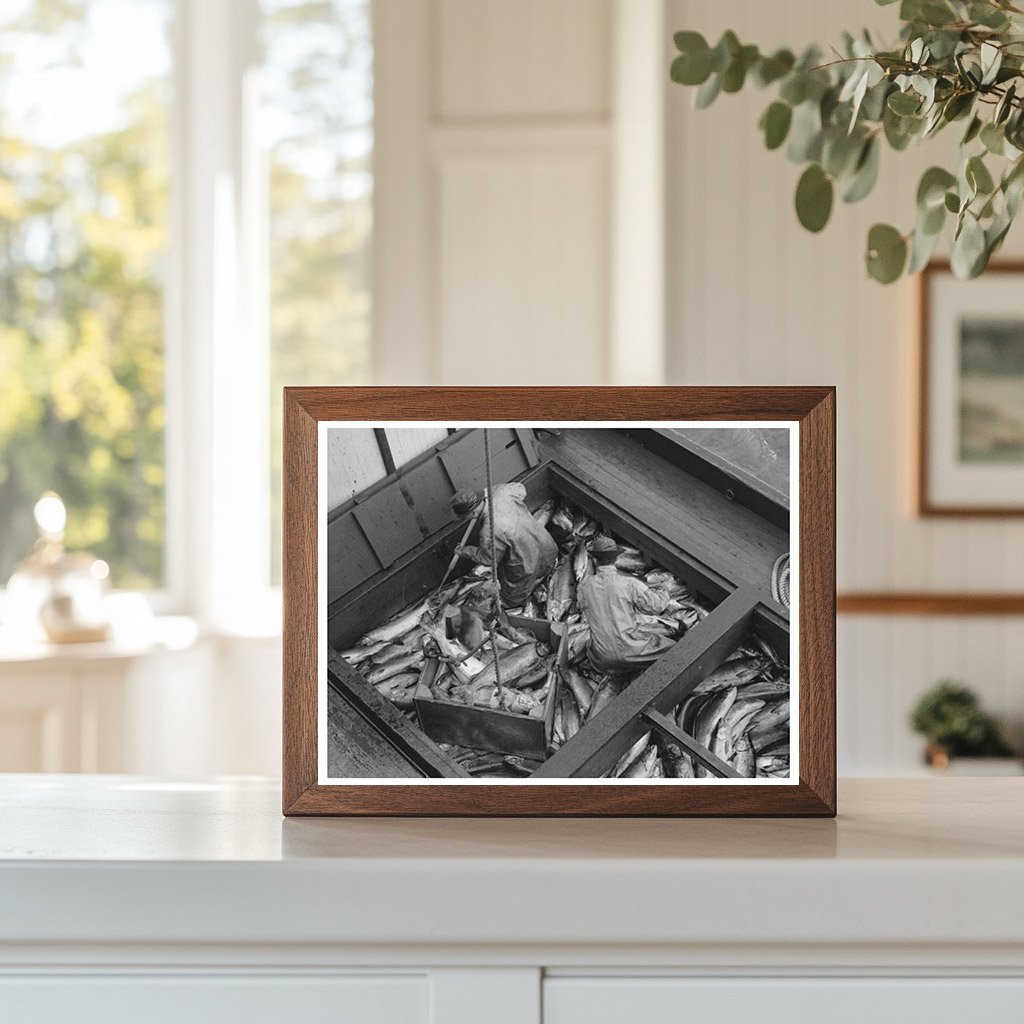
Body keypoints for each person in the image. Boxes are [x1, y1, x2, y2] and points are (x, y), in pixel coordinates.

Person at [577, 535, 676, 673]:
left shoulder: (584, 586)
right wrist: (663, 590)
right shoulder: (629, 583)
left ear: (594, 560)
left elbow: (581, 606)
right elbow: (656, 606)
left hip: (601, 659)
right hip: (632, 652)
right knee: (675, 649)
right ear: (616, 559)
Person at [451, 483, 557, 608]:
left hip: (526, 564)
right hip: (547, 546)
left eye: (465, 517)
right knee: (546, 568)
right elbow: (520, 488)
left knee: (512, 597)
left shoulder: (489, 531)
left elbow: (488, 559)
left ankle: (514, 607)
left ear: (472, 512)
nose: (466, 519)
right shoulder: (502, 492)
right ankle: (546, 576)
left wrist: (464, 551)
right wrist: (490, 492)